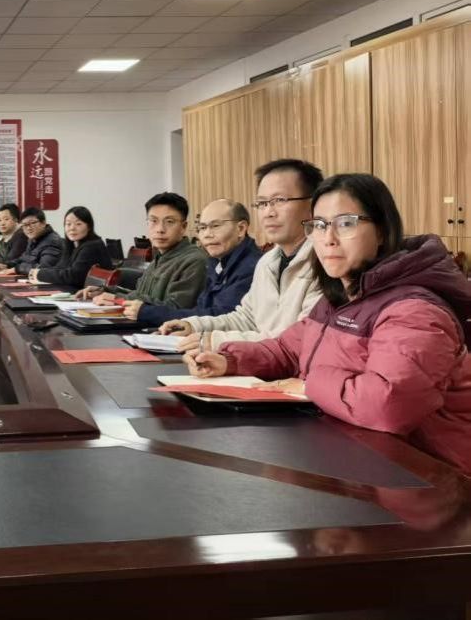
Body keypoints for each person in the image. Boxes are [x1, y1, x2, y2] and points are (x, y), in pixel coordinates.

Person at [186, 173, 471, 474]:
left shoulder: (414, 311)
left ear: (382, 230)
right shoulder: (340, 297)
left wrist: (309, 385)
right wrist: (228, 360)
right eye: (319, 225)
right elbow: (288, 349)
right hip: (357, 459)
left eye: (346, 223)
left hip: (431, 476)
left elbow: (389, 405)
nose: (328, 238)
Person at [159, 159, 324, 355]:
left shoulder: (325, 262)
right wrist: (194, 326)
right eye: (262, 203)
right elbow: (247, 318)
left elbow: (298, 340)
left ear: (313, 206)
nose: (268, 212)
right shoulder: (267, 262)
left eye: (280, 200)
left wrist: (215, 340)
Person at [134, 199, 260, 327]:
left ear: (241, 229)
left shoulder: (252, 267)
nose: (207, 234)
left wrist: (148, 312)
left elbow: (223, 317)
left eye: (215, 226)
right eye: (202, 228)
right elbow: (202, 310)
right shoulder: (217, 262)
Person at [78, 192, 207, 313]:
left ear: (183, 227)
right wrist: (106, 292)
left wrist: (118, 299)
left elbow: (175, 309)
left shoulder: (195, 260)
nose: (160, 229)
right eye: (153, 221)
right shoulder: (160, 257)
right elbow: (141, 296)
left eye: (169, 222)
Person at [29, 206, 111, 288]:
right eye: (68, 224)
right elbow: (60, 267)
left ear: (89, 226)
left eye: (78, 224)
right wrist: (38, 272)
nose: (72, 228)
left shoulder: (92, 246)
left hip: (92, 294)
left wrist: (39, 274)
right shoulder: (73, 244)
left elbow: (74, 276)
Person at [0, 207, 62, 276]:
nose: (28, 228)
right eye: (24, 225)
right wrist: (7, 265)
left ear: (43, 223)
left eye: (32, 223)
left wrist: (17, 269)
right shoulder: (33, 239)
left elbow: (43, 269)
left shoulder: (52, 241)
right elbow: (23, 259)